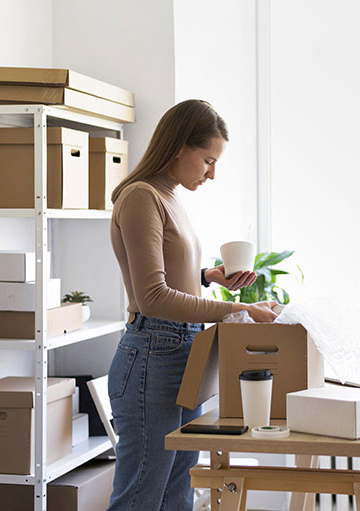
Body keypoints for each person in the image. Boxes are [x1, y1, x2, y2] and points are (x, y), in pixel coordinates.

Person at [107, 99, 277, 511]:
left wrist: (208, 278)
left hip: (182, 352)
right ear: (179, 146)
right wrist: (237, 311)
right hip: (153, 356)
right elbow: (152, 297)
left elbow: (164, 274)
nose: (212, 173)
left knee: (177, 493)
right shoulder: (140, 198)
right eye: (208, 160)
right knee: (142, 496)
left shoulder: (169, 196)